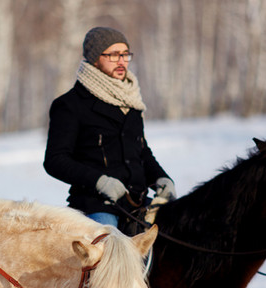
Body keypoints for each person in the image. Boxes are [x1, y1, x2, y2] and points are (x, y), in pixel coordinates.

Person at [43, 27, 175, 229]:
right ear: (95, 58)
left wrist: (161, 177)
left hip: (137, 205)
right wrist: (100, 182)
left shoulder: (132, 102)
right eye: (113, 55)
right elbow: (55, 161)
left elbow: (141, 152)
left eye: (125, 54)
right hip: (97, 207)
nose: (121, 61)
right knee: (108, 251)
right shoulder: (70, 104)